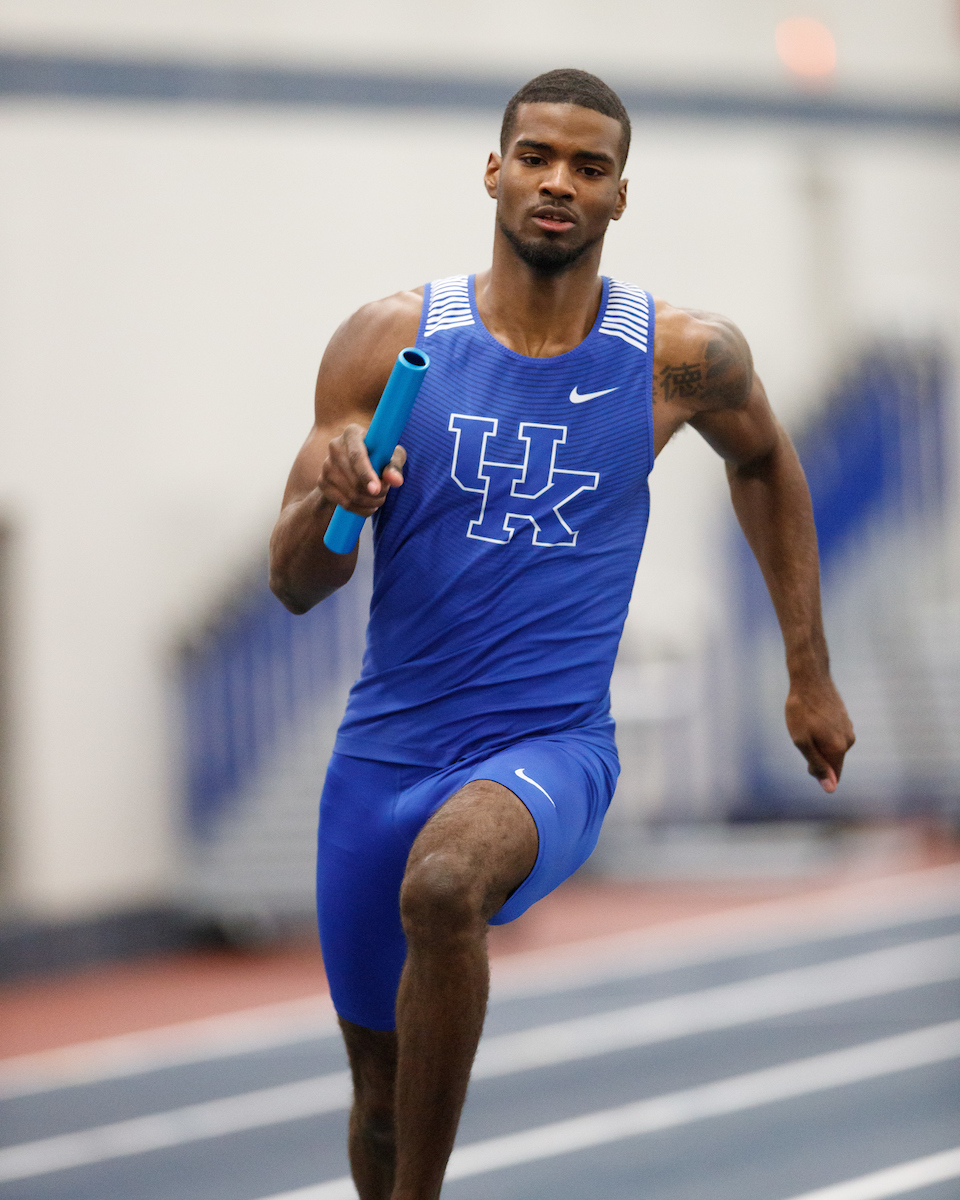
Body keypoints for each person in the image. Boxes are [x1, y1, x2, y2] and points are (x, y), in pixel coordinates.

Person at [268, 67, 855, 1200]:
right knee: (378, 1112)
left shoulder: (685, 356)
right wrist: (333, 499)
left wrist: (808, 674)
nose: (557, 183)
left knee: (446, 887)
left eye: (589, 167)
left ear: (620, 197)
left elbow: (766, 459)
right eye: (536, 156)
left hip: (550, 747)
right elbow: (295, 582)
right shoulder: (387, 342)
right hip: (382, 755)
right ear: (493, 171)